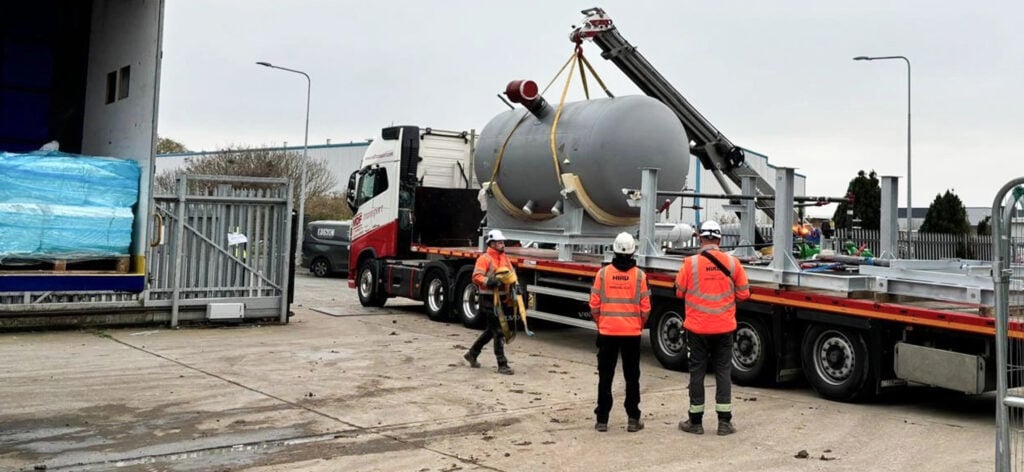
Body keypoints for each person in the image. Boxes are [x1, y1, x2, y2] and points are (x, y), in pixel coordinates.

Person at [675, 220, 750, 436]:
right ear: (719, 239)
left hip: (697, 329)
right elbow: (744, 294)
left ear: (700, 238)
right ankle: (724, 423)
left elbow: (679, 292)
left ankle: (695, 422)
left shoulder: (690, 263)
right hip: (724, 327)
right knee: (723, 372)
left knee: (697, 372)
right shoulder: (733, 263)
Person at [589, 232, 651, 433]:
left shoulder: (603, 274)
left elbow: (594, 305)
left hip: (607, 333)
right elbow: (646, 308)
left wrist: (602, 323)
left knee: (605, 376)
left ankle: (602, 420)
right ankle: (633, 418)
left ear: (614, 250)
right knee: (632, 377)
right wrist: (637, 325)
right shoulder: (640, 276)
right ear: (633, 252)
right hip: (631, 334)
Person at [464, 229, 516, 375]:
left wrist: (515, 288)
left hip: (501, 299)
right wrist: (489, 281)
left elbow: (511, 274)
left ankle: (472, 353)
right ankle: (502, 364)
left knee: (491, 331)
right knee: (498, 331)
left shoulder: (504, 257)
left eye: (503, 242)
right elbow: (476, 277)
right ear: (492, 243)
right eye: (499, 242)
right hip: (488, 299)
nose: (502, 244)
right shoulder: (484, 258)